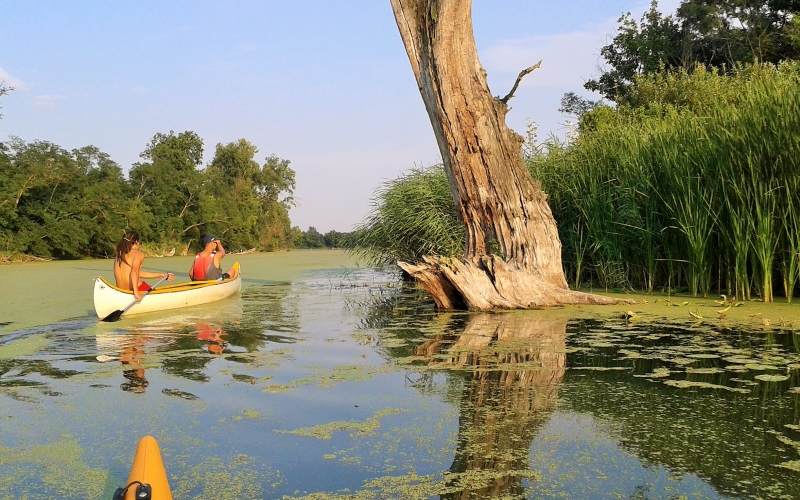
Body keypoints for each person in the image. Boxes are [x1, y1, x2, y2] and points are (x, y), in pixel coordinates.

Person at [114, 230, 175, 302]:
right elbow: (134, 271)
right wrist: (136, 292)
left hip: (120, 291)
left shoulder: (119, 255)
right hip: (136, 289)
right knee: (161, 297)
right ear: (137, 242)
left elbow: (137, 273)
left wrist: (160, 275)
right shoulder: (138, 254)